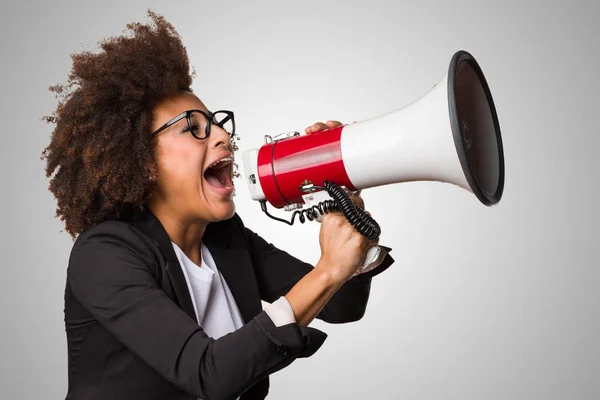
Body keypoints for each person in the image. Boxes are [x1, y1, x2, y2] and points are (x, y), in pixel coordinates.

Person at [42, 10, 394, 400]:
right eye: (193, 128)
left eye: (218, 123)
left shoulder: (226, 238)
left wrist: (346, 209)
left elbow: (342, 304)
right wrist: (328, 270)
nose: (223, 135)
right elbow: (208, 373)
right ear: (143, 160)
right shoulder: (104, 255)